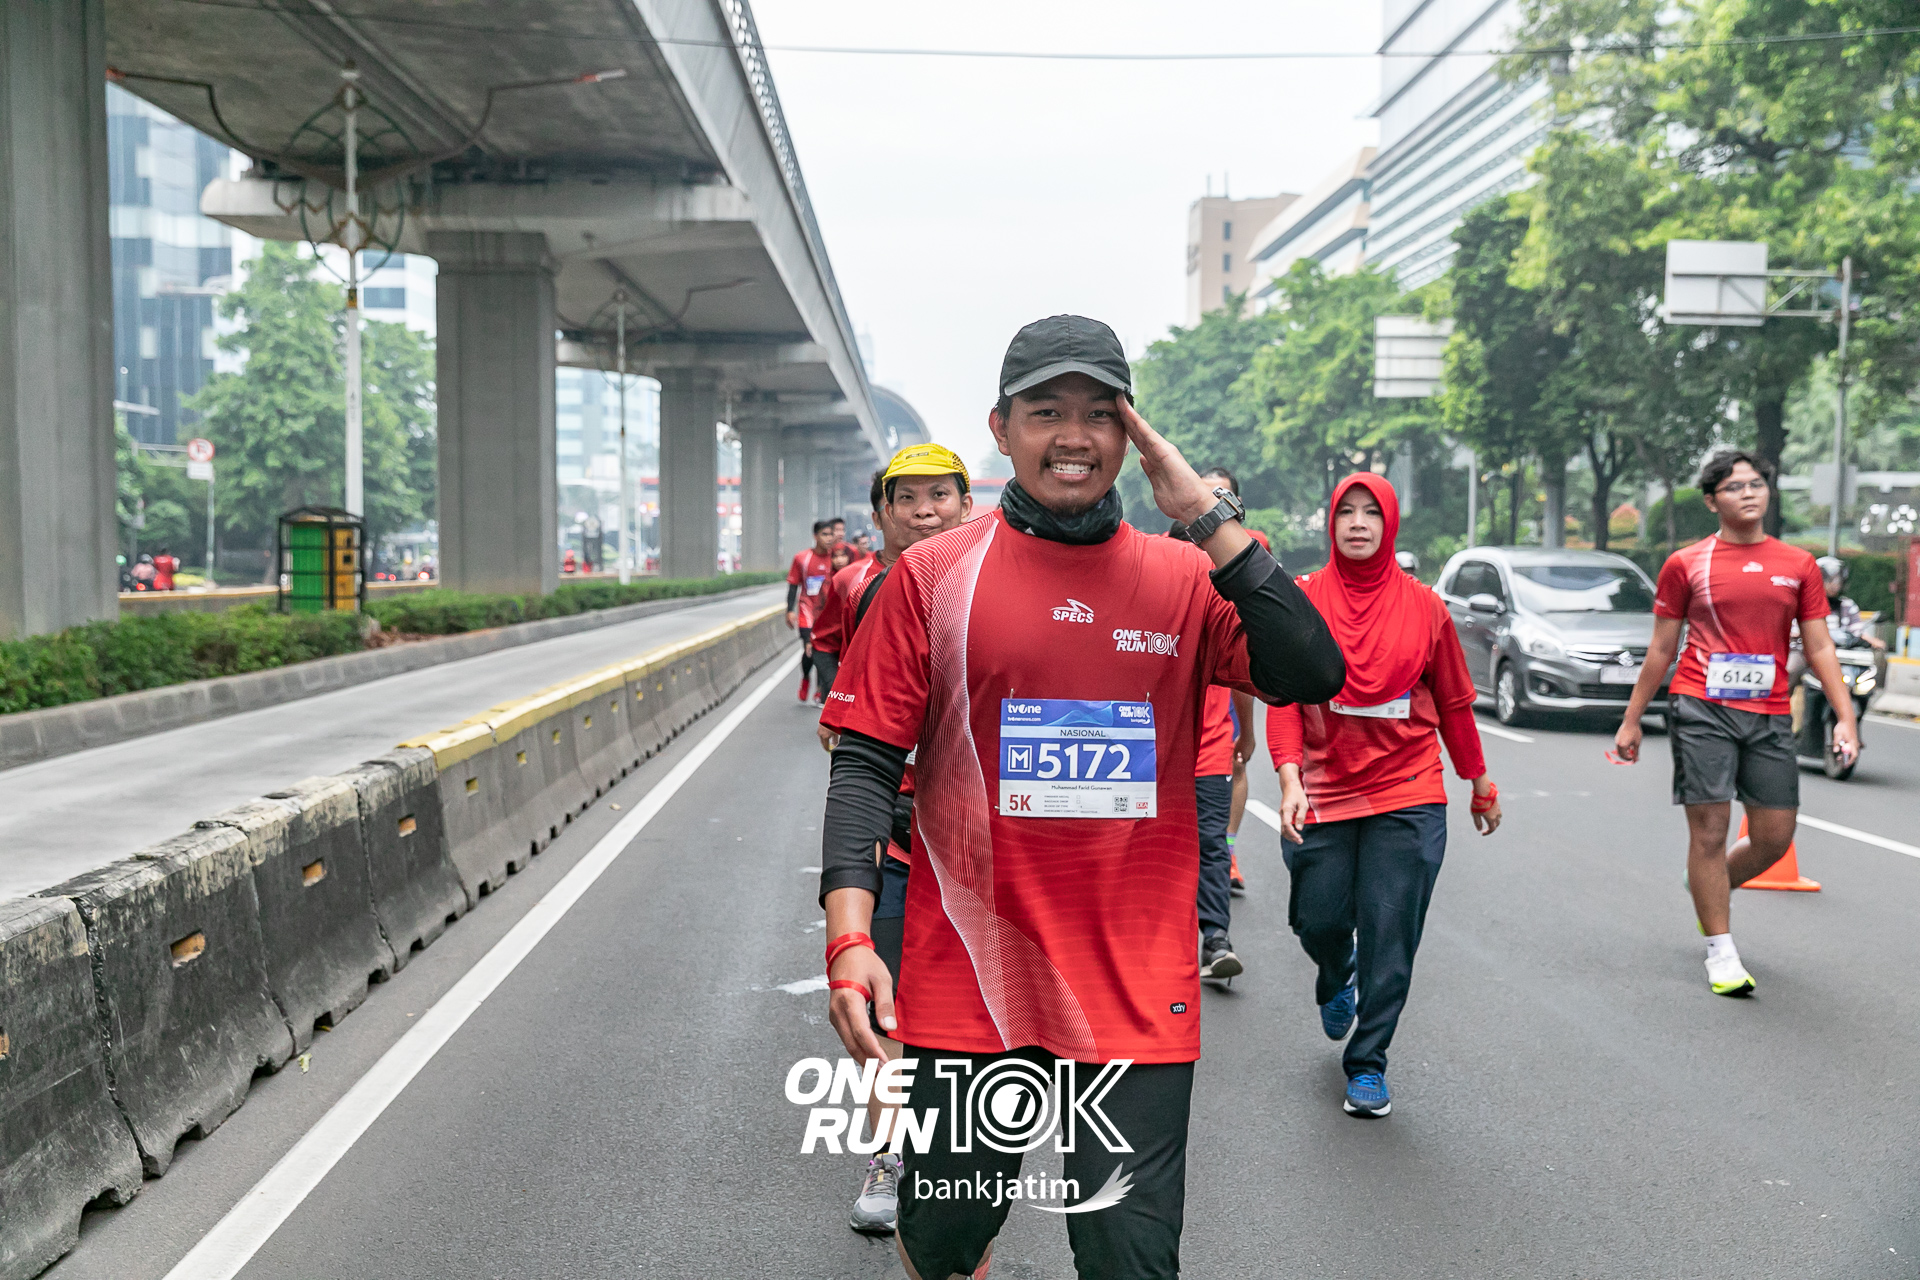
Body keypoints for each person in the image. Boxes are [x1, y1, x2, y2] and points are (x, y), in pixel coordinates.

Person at [819, 315, 1345, 1280]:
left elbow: (1313, 670)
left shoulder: (1186, 577)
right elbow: (862, 766)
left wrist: (1204, 515)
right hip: (972, 978)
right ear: (1002, 428)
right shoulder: (932, 579)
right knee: (944, 1238)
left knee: (1128, 1256)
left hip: (1135, 983)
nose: (1074, 436)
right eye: (1046, 412)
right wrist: (851, 941)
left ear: (1132, 431)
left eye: (1100, 414)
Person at [1269, 473, 1501, 1119]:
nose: (1358, 523)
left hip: (1409, 787)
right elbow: (1284, 697)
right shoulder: (1304, 599)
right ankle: (1333, 969)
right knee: (1318, 919)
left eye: (1372, 512)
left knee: (1390, 931)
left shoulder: (1426, 607)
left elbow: (1454, 702)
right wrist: (1289, 777)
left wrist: (1478, 781)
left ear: (1390, 523)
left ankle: (1368, 1061)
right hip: (1325, 789)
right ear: (1331, 522)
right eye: (1347, 511)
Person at [1613, 451, 1859, 997]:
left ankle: (1708, 884)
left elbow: (1819, 646)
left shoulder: (1798, 564)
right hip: (1701, 707)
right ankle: (1721, 952)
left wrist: (1846, 717)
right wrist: (1632, 720)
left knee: (1774, 836)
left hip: (1769, 712)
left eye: (1755, 484)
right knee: (1709, 830)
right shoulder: (1686, 563)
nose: (1748, 493)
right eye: (1733, 487)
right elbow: (1662, 648)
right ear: (1711, 501)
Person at [814, 445, 974, 1238]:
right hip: (898, 832)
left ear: (967, 505)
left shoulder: (1000, 588)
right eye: (906, 498)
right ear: (881, 513)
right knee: (887, 1006)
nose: (924, 512)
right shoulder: (860, 587)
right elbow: (845, 687)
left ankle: (972, 1153)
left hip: (983, 848)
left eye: (940, 495)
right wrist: (849, 727)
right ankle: (891, 1155)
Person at [787, 519, 837, 703]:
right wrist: (789, 610)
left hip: (828, 614)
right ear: (815, 536)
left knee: (824, 651)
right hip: (807, 611)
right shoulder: (802, 558)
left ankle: (820, 688)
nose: (828, 538)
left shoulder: (836, 558)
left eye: (831, 534)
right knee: (809, 649)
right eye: (824, 534)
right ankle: (806, 678)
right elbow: (793, 585)